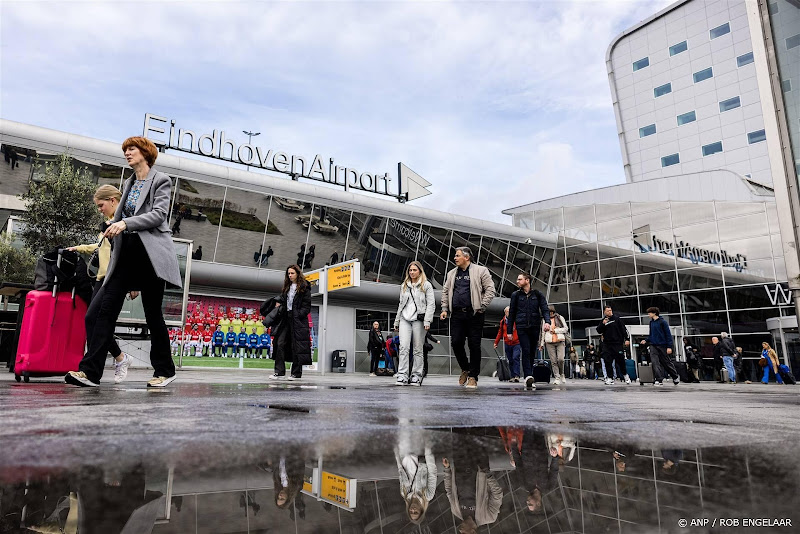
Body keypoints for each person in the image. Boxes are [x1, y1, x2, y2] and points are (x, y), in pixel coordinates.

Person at [66, 136, 181, 388]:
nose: (127, 153)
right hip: (126, 253)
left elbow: (159, 215)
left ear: (145, 152)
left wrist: (125, 223)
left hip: (150, 254)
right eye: (125, 150)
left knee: (152, 314)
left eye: (132, 149)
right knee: (104, 311)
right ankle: (90, 372)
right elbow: (120, 215)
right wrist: (111, 225)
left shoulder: (161, 180)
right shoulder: (128, 182)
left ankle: (165, 370)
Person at [67, 184, 134, 384]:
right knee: (93, 321)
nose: (99, 209)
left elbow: (132, 255)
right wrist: (77, 248)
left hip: (116, 279)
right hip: (101, 279)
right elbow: (99, 247)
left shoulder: (125, 224)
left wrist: (133, 284)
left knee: (96, 320)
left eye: (101, 205)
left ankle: (90, 371)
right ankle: (120, 358)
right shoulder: (108, 224)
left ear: (113, 201)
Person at [440, 247, 496, 389]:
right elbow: (445, 292)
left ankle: (473, 377)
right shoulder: (451, 273)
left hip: (475, 313)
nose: (455, 258)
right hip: (457, 314)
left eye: (457, 255)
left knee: (474, 345)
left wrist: (482, 306)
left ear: (467, 257)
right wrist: (444, 309)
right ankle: (465, 368)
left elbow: (490, 289)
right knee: (456, 342)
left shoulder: (480, 271)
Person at [393, 261, 435, 386]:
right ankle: (402, 375)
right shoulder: (404, 285)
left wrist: (428, 320)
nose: (412, 272)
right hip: (405, 319)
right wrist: (397, 320)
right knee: (403, 348)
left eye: (414, 270)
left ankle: (416, 375)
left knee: (417, 349)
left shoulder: (426, 285)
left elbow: (431, 304)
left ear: (420, 271)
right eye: (410, 270)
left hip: (419, 320)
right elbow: (401, 304)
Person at [507, 272, 550, 390]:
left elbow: (545, 309)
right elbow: (511, 314)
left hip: (535, 326)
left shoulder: (538, 294)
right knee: (525, 350)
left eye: (520, 279)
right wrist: (509, 331)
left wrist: (547, 322)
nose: (517, 281)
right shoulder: (516, 295)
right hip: (521, 327)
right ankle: (528, 376)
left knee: (531, 352)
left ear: (527, 281)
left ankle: (529, 375)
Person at [269, 265, 312, 380]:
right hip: (286, 318)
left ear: (298, 273)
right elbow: (284, 300)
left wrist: (298, 315)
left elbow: (306, 307)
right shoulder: (287, 287)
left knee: (296, 346)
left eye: (292, 273)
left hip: (297, 320)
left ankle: (296, 373)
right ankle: (279, 372)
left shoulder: (305, 288)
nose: (290, 275)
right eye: (288, 273)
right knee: (279, 343)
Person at [395, 433, 437, 525]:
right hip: (420, 454)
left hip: (404, 453)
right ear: (421, 510)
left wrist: (396, 453)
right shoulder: (428, 495)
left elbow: (400, 471)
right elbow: (432, 472)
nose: (413, 510)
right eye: (416, 512)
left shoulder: (404, 493)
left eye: (411, 512)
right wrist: (428, 449)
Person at [640, 307, 679, 386]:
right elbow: (651, 334)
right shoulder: (651, 323)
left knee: (666, 363)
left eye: (649, 313)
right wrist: (646, 340)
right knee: (655, 362)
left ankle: (675, 376)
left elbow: (668, 335)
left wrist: (669, 346)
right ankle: (659, 379)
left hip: (662, 345)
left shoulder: (663, 322)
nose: (648, 314)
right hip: (653, 345)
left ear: (654, 313)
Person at [596, 305, 630, 386]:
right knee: (607, 361)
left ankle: (625, 375)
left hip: (617, 344)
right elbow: (598, 330)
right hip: (607, 344)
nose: (609, 312)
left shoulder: (617, 319)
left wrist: (627, 339)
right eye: (608, 311)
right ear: (604, 312)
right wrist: (603, 324)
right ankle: (610, 378)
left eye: (610, 310)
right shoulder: (603, 321)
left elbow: (624, 329)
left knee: (620, 361)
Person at [542, 304, 568, 385]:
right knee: (553, 361)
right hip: (549, 342)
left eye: (550, 312)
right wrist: (542, 343)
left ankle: (562, 373)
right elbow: (543, 332)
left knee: (561, 359)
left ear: (552, 312)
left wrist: (556, 331)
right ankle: (557, 377)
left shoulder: (560, 318)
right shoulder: (544, 320)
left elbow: (566, 329)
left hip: (560, 340)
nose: (549, 314)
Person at [494, 306, 521, 382]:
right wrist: (496, 342)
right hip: (507, 343)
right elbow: (500, 332)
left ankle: (517, 375)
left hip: (516, 342)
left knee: (516, 357)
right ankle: (512, 376)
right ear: (505, 312)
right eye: (508, 311)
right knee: (510, 360)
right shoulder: (503, 322)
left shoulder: (516, 320)